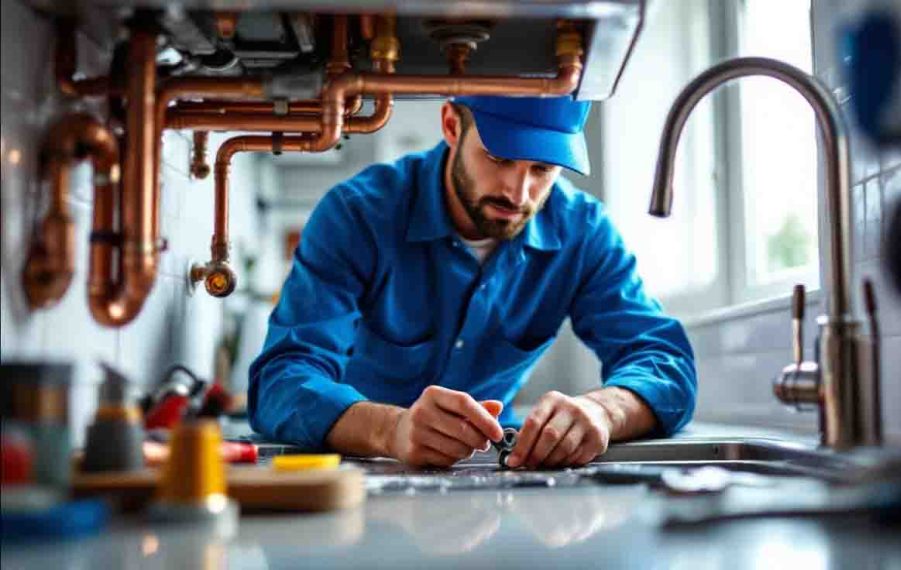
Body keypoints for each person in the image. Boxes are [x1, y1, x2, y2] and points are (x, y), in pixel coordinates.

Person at [248, 95, 697, 469]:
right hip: (356, 471)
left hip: (489, 475)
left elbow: (665, 362)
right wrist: (390, 429)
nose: (518, 194)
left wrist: (604, 410)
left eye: (542, 169)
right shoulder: (356, 216)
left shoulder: (584, 232)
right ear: (450, 124)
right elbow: (281, 380)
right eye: (499, 158)